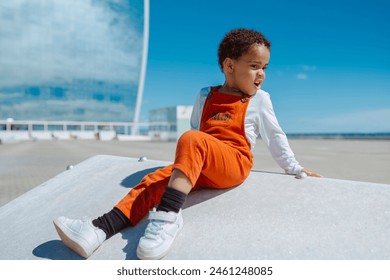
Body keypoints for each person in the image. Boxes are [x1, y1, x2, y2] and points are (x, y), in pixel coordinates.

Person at [53, 28, 322, 260]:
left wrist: (294, 168)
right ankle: (98, 229)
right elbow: (198, 127)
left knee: (191, 140)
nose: (261, 74)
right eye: (254, 66)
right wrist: (186, 167)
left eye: (264, 68)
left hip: (234, 164)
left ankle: (168, 217)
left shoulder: (260, 100)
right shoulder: (205, 95)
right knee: (153, 181)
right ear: (229, 66)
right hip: (202, 161)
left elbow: (275, 136)